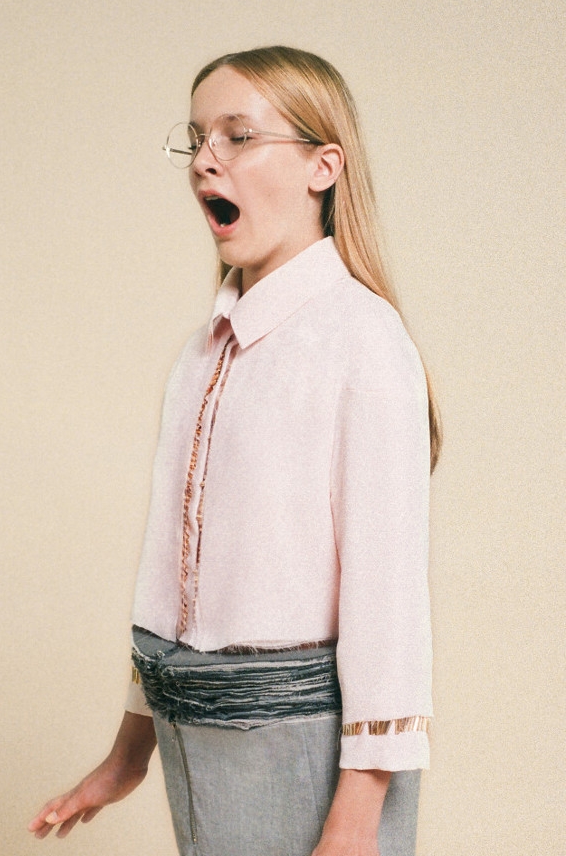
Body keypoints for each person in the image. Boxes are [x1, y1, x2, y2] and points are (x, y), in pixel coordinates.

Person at [28, 45, 441, 856]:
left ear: (323, 166)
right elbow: (171, 580)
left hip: (310, 759)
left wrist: (358, 815)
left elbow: (388, 595)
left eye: (239, 136)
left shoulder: (363, 340)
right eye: (196, 139)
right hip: (200, 747)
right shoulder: (202, 354)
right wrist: (128, 753)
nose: (204, 160)